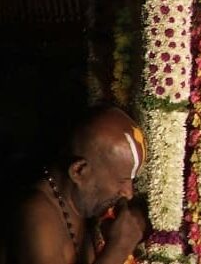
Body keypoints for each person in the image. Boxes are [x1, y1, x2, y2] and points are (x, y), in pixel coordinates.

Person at [6, 104, 148, 264]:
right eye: (121, 181)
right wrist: (120, 247)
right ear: (79, 171)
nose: (128, 193)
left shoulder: (80, 202)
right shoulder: (35, 216)